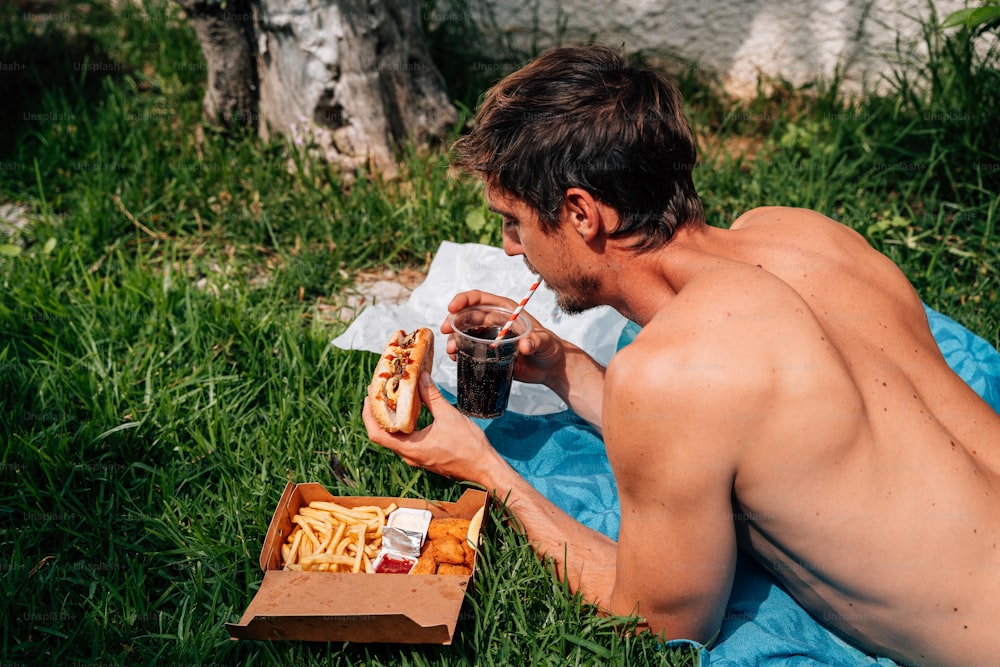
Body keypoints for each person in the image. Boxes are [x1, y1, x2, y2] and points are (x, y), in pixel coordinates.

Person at [362, 45, 1000, 666]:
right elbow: (743, 418)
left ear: (581, 213)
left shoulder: (672, 371)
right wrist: (564, 368)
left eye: (515, 221)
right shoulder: (800, 231)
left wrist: (484, 467)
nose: (507, 247)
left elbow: (657, 622)